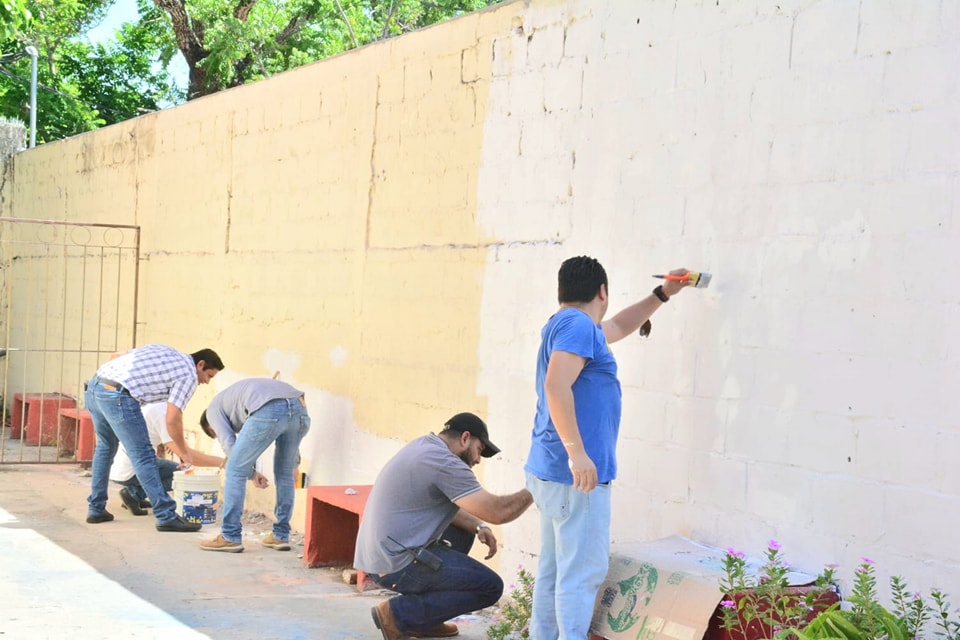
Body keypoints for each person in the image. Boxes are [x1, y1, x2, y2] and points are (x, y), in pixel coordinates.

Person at [524, 257, 690, 639]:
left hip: (553, 472)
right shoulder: (578, 325)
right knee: (581, 575)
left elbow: (617, 326)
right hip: (575, 477)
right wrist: (577, 453)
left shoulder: (574, 324)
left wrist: (663, 294)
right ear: (602, 292)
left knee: (555, 573)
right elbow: (556, 385)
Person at [355, 412, 534, 640]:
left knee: (463, 533)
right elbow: (498, 511)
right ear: (465, 438)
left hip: (379, 556)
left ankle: (424, 621)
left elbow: (450, 506)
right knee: (489, 586)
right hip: (396, 564)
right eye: (479, 450)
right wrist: (537, 489)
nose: (478, 460)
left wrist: (479, 526)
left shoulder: (424, 446)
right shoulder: (444, 463)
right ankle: (398, 615)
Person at [86, 344, 225, 532]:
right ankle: (166, 515)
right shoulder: (188, 374)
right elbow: (173, 418)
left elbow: (115, 355)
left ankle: (96, 509)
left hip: (96, 386)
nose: (206, 382)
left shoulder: (164, 350)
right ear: (200, 365)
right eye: (209, 376)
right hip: (119, 395)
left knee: (105, 447)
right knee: (143, 456)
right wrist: (185, 453)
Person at [197, 378, 311, 553]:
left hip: (268, 408)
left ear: (210, 426)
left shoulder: (213, 410)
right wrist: (293, 464)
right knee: (285, 473)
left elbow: (229, 444)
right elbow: (286, 417)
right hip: (299, 408)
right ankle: (280, 536)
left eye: (215, 434)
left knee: (234, 470)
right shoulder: (233, 402)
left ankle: (230, 536)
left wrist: (249, 473)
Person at [110, 402, 225, 516]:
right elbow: (191, 457)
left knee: (168, 468)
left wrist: (169, 443)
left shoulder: (156, 407)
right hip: (131, 470)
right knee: (180, 475)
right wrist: (225, 462)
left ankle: (134, 492)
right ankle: (133, 495)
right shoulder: (164, 414)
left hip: (120, 467)